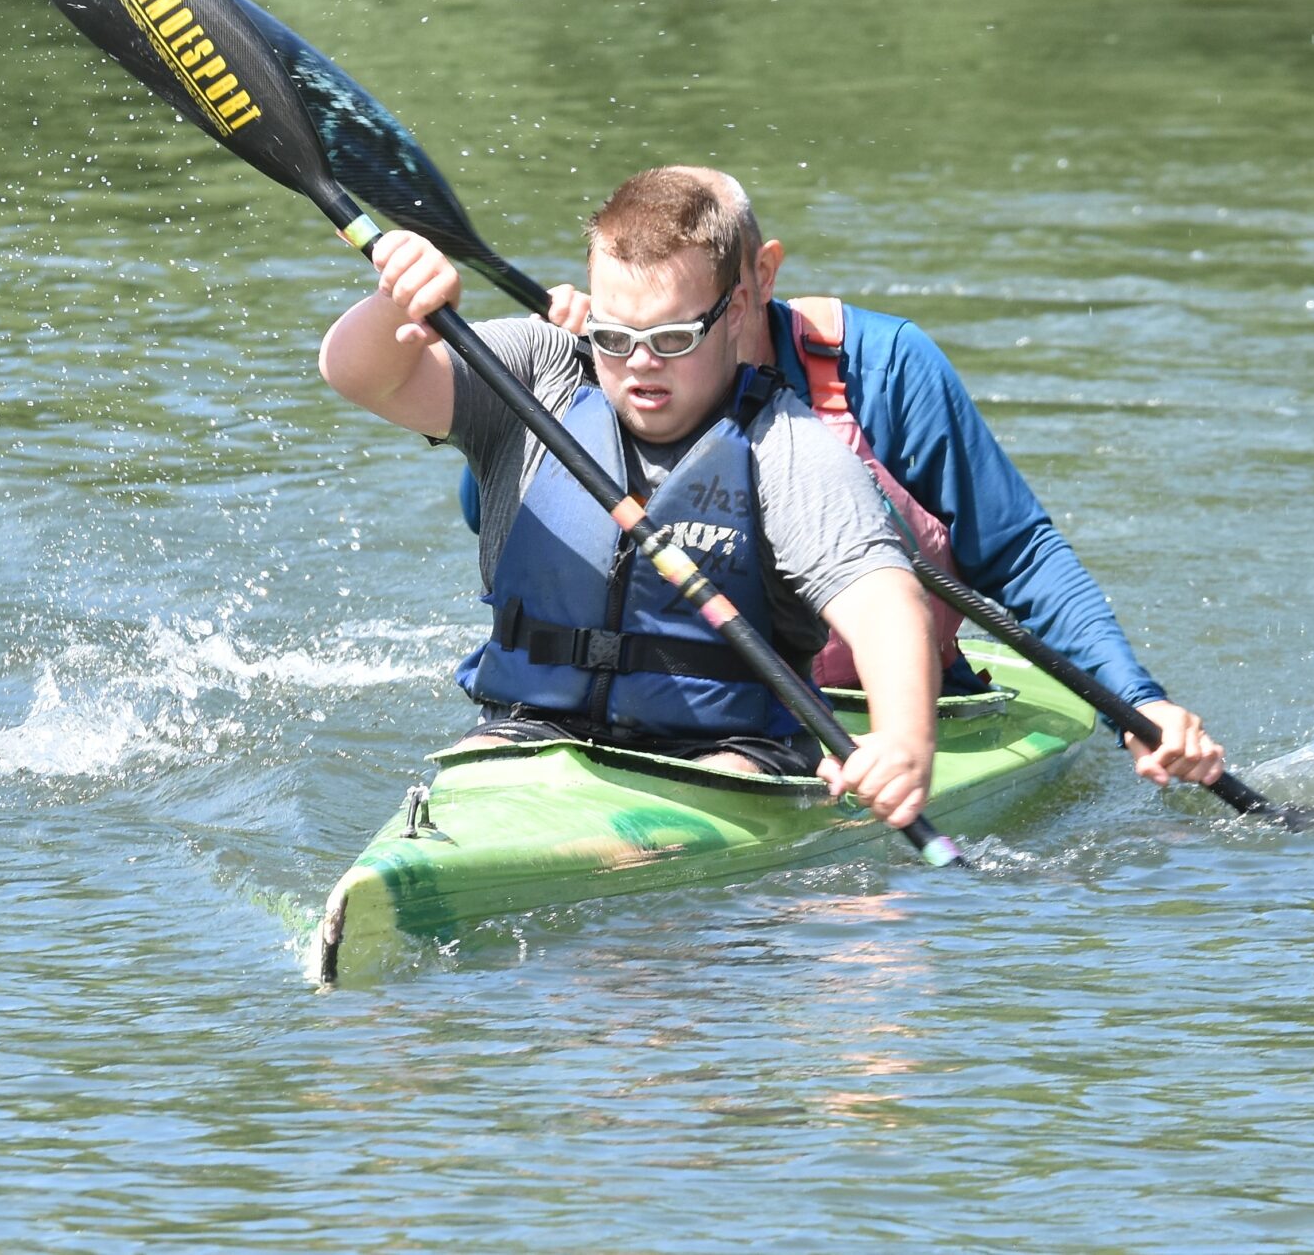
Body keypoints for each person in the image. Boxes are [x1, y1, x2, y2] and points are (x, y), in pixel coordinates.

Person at [515, 168, 1226, 789]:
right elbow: (507, 521)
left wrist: (1136, 699)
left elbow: (1019, 555)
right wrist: (561, 390)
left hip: (838, 725)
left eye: (681, 319)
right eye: (631, 321)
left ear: (760, 276)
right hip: (650, 711)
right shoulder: (606, 368)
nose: (652, 344)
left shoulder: (884, 367)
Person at [318, 167, 945, 828]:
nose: (641, 362)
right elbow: (360, 375)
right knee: (471, 773)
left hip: (727, 755)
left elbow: (884, 599)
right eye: (615, 338)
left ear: (734, 312)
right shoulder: (539, 374)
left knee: (704, 801)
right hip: (528, 730)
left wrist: (904, 739)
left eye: (671, 339)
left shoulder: (786, 446)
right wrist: (397, 302)